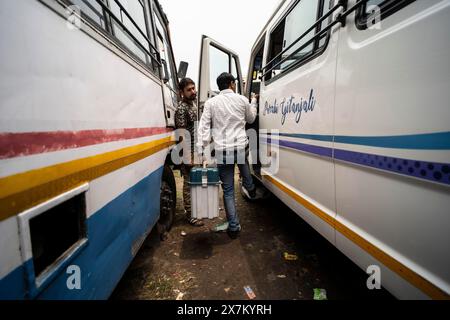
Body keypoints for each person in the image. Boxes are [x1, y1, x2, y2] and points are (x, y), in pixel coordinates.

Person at [197, 72, 258, 239]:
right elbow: (251, 118)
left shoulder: (211, 103)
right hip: (239, 147)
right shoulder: (241, 99)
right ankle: (251, 187)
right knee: (244, 165)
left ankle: (233, 227)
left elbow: (203, 126)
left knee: (229, 190)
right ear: (232, 83)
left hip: (223, 151)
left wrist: (201, 149)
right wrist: (253, 101)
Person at [175, 78, 204, 227]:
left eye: (194, 88)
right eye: (189, 90)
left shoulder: (192, 105)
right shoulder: (181, 109)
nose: (193, 91)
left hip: (196, 150)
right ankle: (191, 215)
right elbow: (181, 135)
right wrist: (187, 157)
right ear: (181, 93)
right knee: (188, 184)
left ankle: (196, 210)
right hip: (188, 153)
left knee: (196, 182)